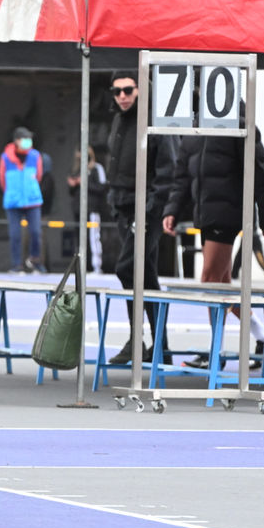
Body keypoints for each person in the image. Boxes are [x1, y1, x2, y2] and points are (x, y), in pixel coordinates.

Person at [162, 105, 264, 369]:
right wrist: (172, 210)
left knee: (210, 281)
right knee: (222, 286)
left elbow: (260, 172)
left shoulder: (240, 125)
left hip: (227, 214)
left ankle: (215, 352)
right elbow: (182, 177)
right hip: (205, 215)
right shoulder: (194, 130)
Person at [104, 72, 178, 364]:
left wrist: (151, 209)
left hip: (146, 210)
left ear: (140, 89)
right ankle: (159, 346)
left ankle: (141, 341)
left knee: (128, 268)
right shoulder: (119, 120)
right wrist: (114, 199)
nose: (122, 96)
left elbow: (168, 168)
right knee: (144, 275)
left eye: (127, 90)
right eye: (117, 91)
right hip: (124, 207)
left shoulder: (155, 119)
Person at [0, 126, 46, 273]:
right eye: (25, 138)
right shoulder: (5, 157)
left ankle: (35, 261)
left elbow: (39, 176)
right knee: (15, 234)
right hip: (13, 201)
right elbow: (2, 179)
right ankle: (16, 264)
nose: (28, 141)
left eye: (29, 138)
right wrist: (12, 192)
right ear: (17, 141)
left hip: (32, 200)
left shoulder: (35, 156)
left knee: (36, 232)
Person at [67, 146, 107, 273]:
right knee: (79, 239)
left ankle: (96, 266)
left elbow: (102, 187)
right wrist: (73, 184)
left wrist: (84, 182)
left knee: (93, 237)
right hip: (78, 210)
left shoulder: (97, 168)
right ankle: (81, 267)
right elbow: (71, 192)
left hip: (92, 210)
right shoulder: (76, 169)